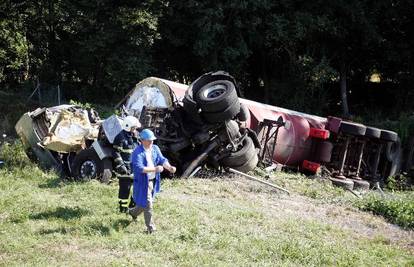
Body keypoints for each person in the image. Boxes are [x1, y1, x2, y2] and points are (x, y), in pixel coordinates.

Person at [129, 128, 176, 233]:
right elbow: (139, 168)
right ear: (142, 140)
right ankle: (151, 229)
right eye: (149, 140)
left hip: (153, 180)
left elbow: (162, 159)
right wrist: (155, 169)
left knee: (143, 203)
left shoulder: (155, 148)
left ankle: (132, 212)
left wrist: (169, 167)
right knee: (148, 203)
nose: (151, 142)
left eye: (152, 140)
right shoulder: (137, 152)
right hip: (142, 181)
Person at [113, 115, 141, 213]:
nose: (135, 130)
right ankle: (122, 208)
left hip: (135, 168)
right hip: (125, 168)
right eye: (134, 128)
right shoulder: (120, 137)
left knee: (138, 187)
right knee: (125, 188)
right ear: (128, 126)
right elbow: (115, 152)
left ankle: (132, 206)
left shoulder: (136, 136)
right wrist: (121, 165)